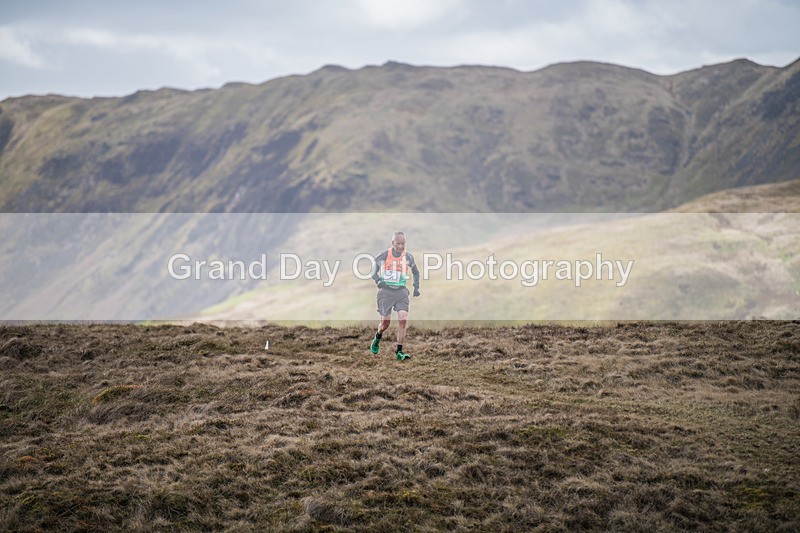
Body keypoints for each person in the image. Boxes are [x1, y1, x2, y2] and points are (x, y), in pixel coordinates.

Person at [369, 231, 420, 361]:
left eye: (403, 244)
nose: (401, 246)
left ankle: (399, 351)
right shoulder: (385, 255)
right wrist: (378, 281)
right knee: (385, 324)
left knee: (403, 319)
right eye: (398, 244)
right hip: (386, 292)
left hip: (401, 292)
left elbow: (416, 272)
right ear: (393, 243)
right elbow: (373, 270)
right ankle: (377, 337)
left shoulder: (408, 257)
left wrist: (416, 287)